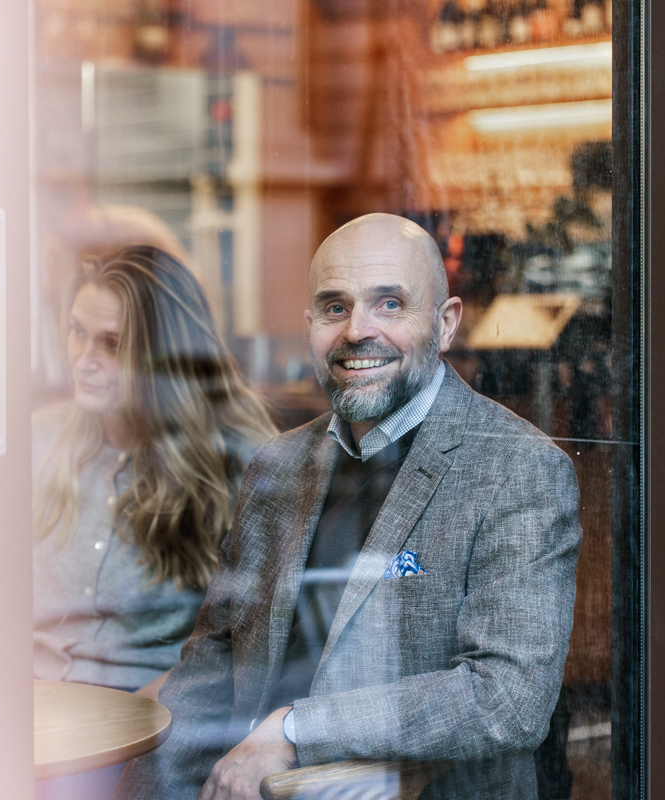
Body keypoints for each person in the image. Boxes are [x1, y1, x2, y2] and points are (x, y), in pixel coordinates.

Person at [115, 214, 582, 800]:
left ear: (445, 324)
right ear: (310, 323)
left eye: (389, 304)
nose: (357, 330)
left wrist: (295, 730)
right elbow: (211, 667)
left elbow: (507, 697)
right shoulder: (276, 466)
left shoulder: (517, 468)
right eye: (335, 308)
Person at [33, 245, 276, 695]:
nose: (84, 359)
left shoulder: (237, 462)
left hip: (151, 721)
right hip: (34, 711)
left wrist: (144, 722)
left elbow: (252, 645)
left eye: (112, 344)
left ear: (164, 359)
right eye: (77, 332)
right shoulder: (38, 443)